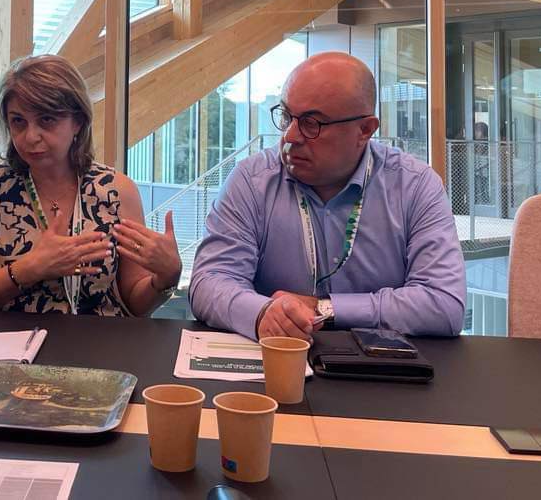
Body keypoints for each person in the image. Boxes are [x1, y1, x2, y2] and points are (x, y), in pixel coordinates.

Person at [189, 52, 465, 340]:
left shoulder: (414, 186)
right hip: (277, 356)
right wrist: (263, 313)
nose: (290, 136)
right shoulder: (251, 181)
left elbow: (444, 303)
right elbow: (209, 282)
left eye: (312, 123)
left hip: (380, 362)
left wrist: (325, 308)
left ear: (365, 130)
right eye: (287, 116)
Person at [0, 54, 181, 316]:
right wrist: (27, 270)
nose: (30, 136)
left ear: (77, 121)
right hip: (10, 340)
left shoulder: (115, 190)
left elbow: (135, 304)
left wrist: (166, 278)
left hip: (99, 339)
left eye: (46, 120)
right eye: (18, 121)